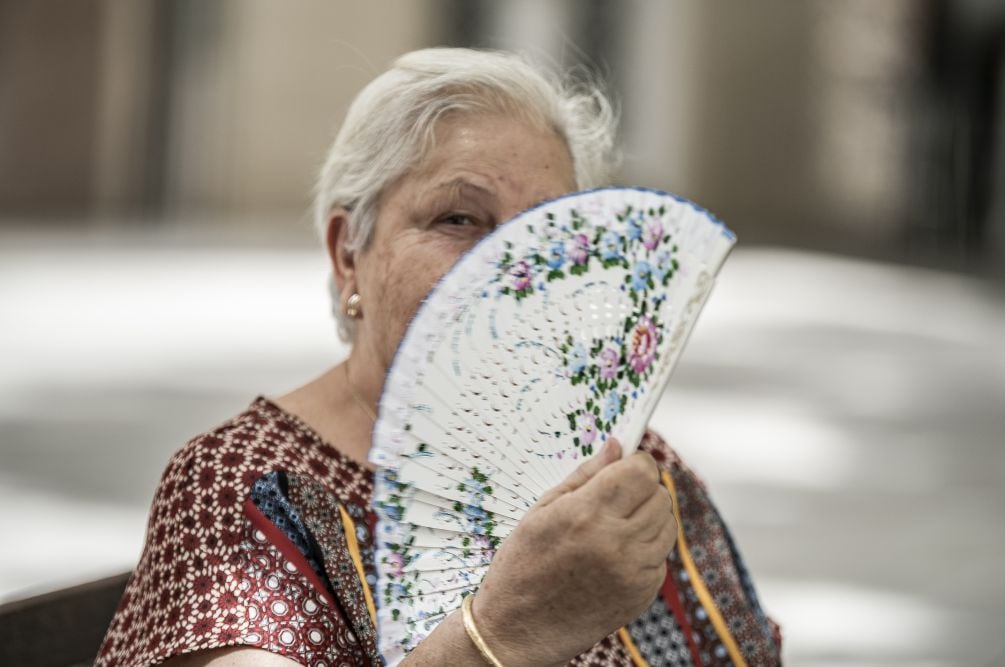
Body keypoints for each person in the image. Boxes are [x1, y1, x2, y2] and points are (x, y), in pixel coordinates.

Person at [96, 48, 781, 667]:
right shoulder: (244, 486)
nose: (516, 271)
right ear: (348, 253)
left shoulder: (624, 473)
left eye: (551, 233)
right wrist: (502, 633)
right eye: (459, 219)